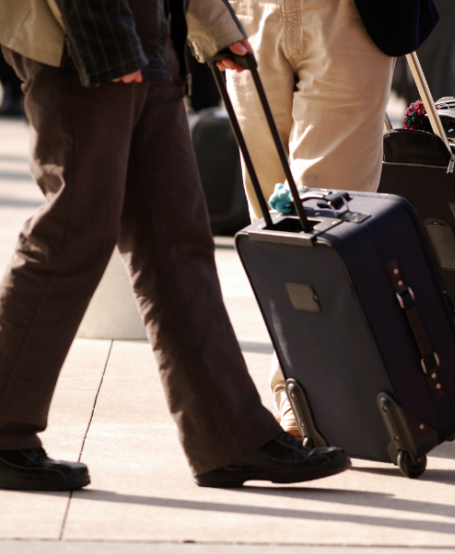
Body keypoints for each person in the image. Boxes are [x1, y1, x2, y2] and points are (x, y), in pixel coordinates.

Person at [0, 0, 351, 491]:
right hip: (83, 29)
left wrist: (213, 25)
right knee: (73, 230)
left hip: (154, 29)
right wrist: (107, 38)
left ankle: (232, 439)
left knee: (177, 241)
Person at [225, 0, 439, 435]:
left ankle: (303, 391)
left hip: (347, 17)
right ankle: (308, 386)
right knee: (271, 220)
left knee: (324, 218)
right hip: (247, 14)